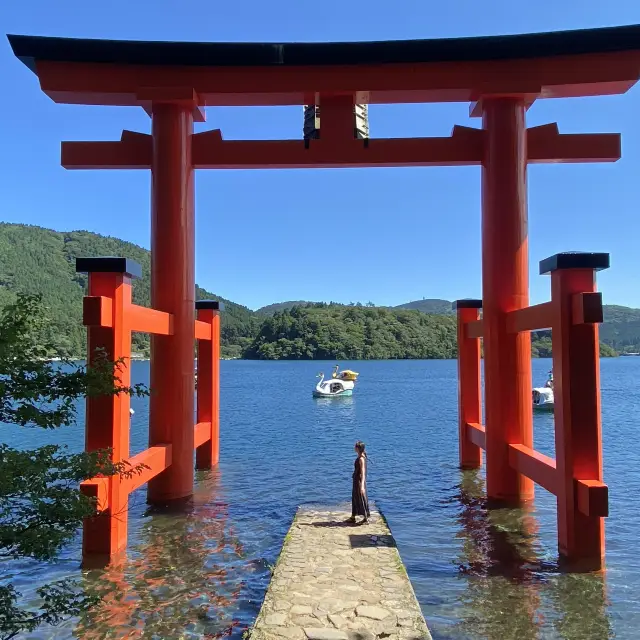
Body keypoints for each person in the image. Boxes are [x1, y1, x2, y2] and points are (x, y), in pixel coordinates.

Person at [349, 441, 370, 524]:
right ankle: (353, 516)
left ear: (357, 448)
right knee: (354, 497)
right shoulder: (360, 456)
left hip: (359, 481)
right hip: (356, 480)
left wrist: (362, 486)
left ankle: (365, 518)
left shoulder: (361, 459)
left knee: (361, 498)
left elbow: (363, 472)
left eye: (355, 446)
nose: (354, 448)